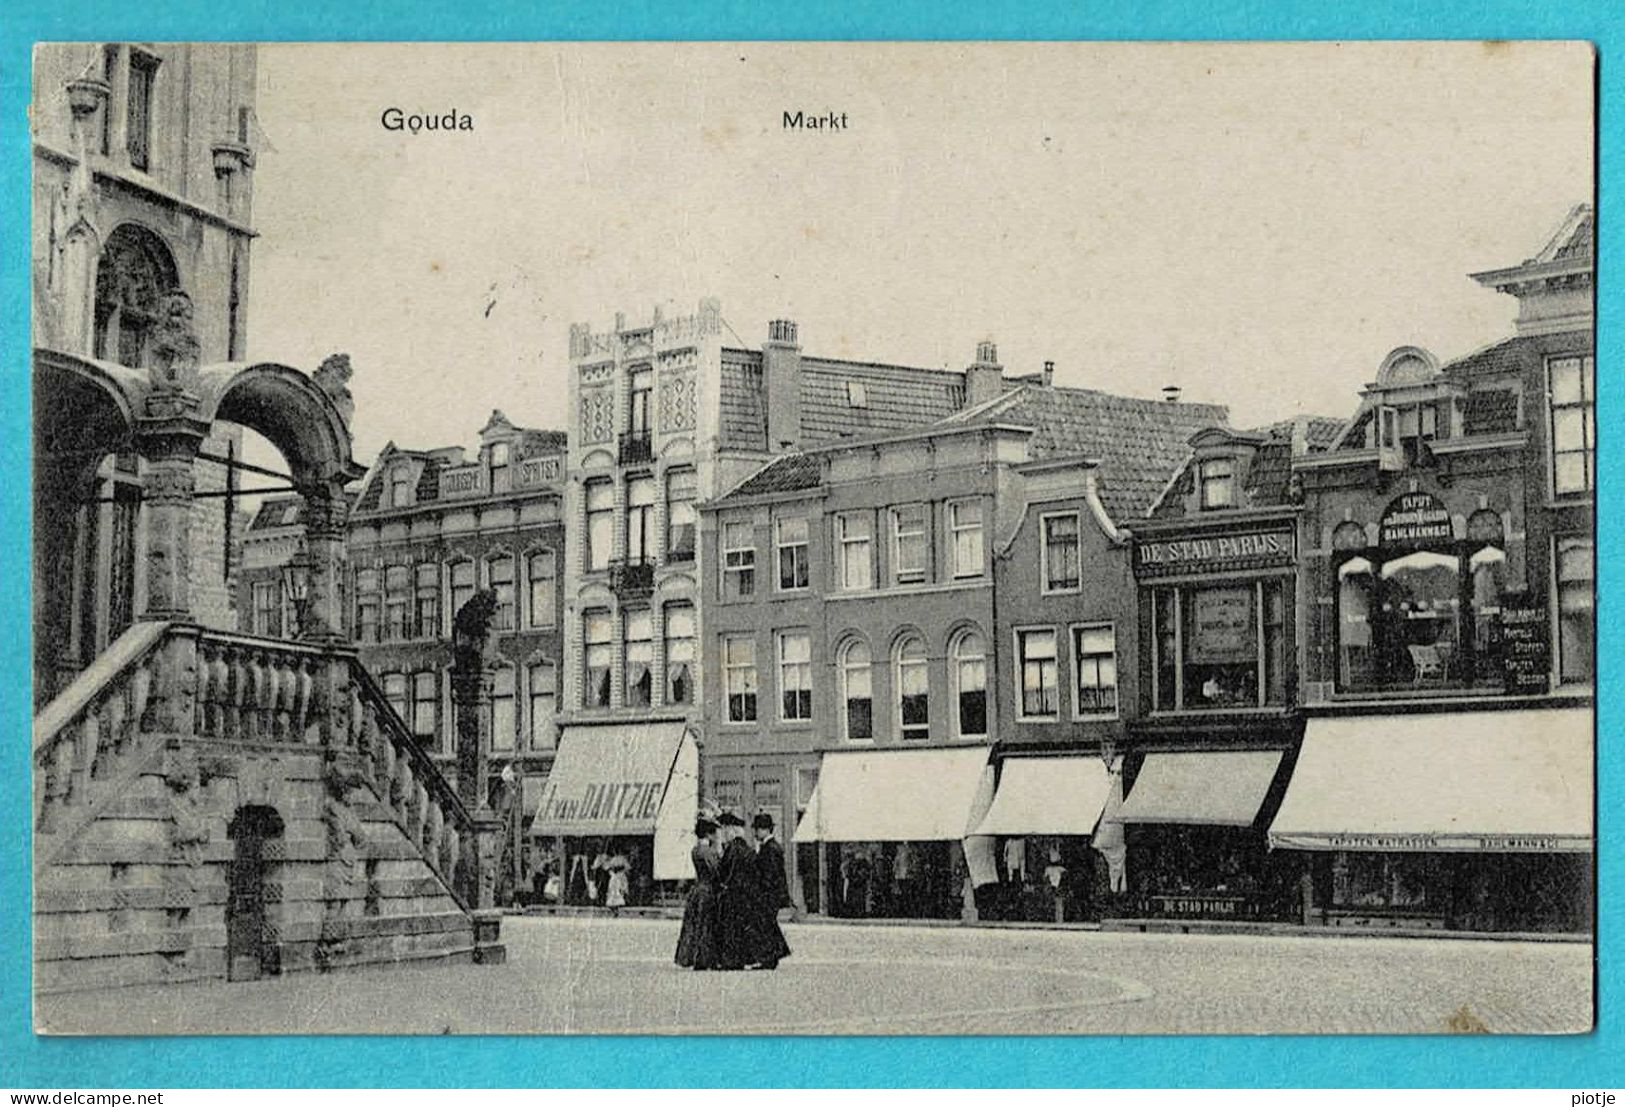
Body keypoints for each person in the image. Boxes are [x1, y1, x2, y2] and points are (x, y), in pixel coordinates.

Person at [749, 812, 793, 970]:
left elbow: (769, 874)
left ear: (766, 830)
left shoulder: (770, 849)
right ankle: (773, 955)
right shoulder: (772, 847)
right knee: (768, 924)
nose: (755, 833)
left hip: (768, 894)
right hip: (772, 894)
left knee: (765, 925)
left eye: (758, 829)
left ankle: (770, 957)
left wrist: (760, 890)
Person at [675, 817, 721, 969]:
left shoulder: (695, 850)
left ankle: (693, 957)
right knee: (706, 925)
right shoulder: (707, 851)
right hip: (707, 890)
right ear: (709, 834)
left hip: (698, 888)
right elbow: (715, 870)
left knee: (695, 925)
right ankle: (704, 958)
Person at [714, 810, 758, 970]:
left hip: (732, 895)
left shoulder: (732, 849)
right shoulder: (746, 848)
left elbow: (725, 872)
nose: (723, 834)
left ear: (731, 829)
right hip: (745, 895)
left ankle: (731, 961)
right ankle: (740, 959)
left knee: (730, 929)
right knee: (740, 928)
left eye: (724, 830)